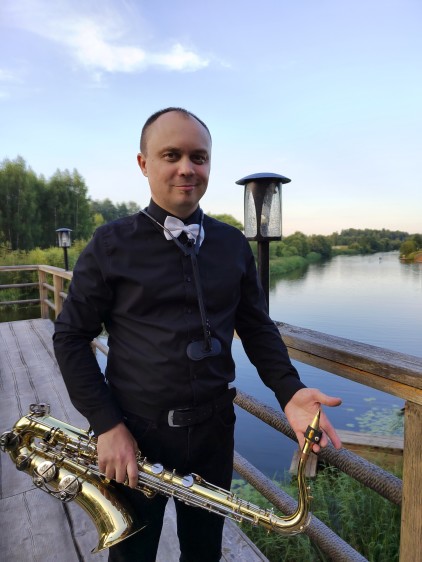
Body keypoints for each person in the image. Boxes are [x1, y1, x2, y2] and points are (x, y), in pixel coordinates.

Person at [53, 107, 342, 562]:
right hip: (134, 435)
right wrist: (107, 426)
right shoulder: (110, 244)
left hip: (213, 434)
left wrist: (290, 391)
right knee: (132, 555)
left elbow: (256, 327)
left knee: (205, 553)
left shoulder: (232, 244)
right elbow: (70, 337)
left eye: (199, 157)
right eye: (171, 155)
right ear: (144, 163)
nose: (187, 168)